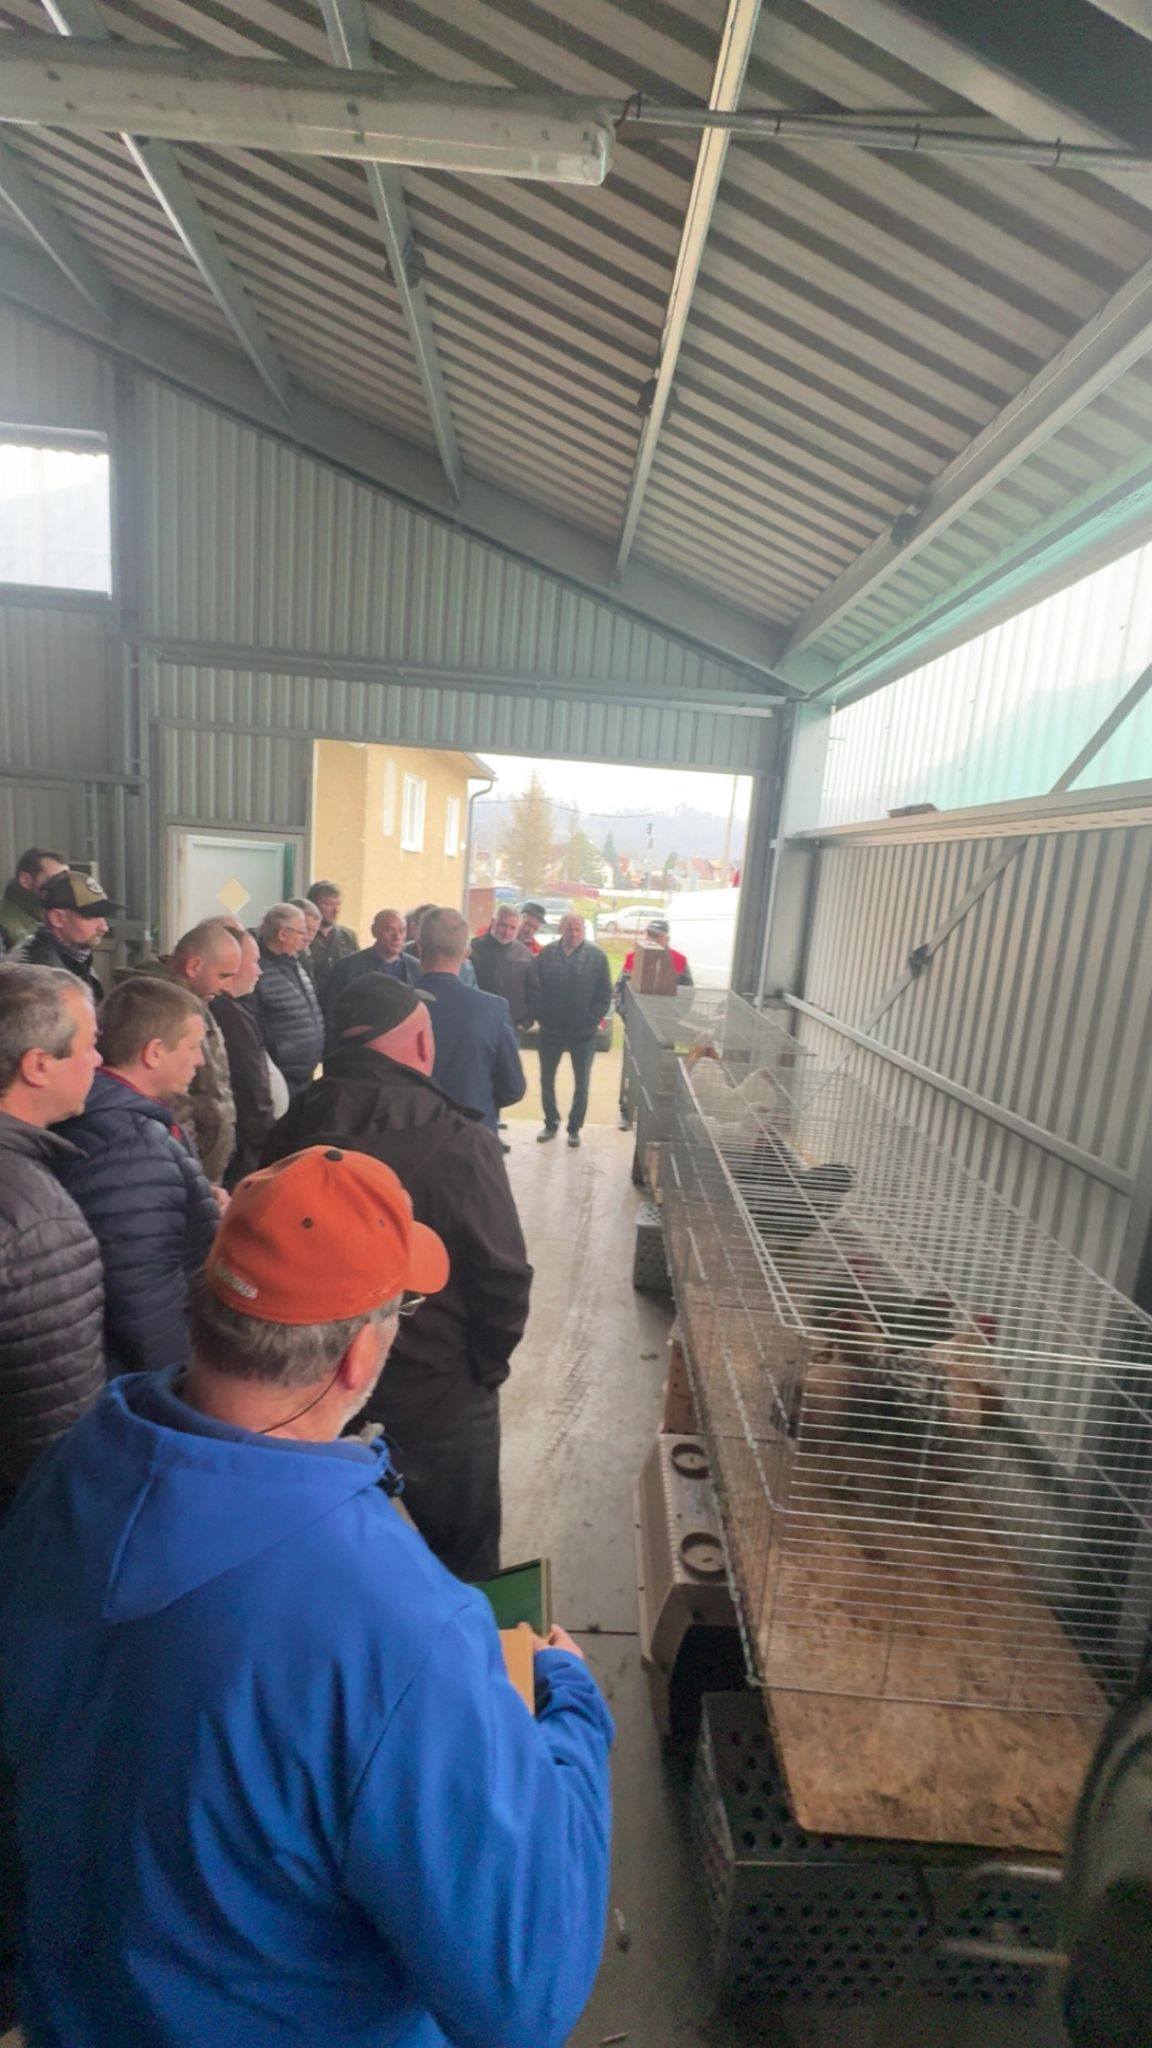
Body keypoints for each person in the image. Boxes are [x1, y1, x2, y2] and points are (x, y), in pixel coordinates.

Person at [0, 1146, 611, 2048]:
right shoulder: (398, 1626)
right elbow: (527, 1994)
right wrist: (574, 1717)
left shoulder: (72, 1470)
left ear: (206, 1305)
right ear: (361, 1354)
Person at [263, 975, 532, 1580]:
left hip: (316, 1393)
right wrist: (485, 1369)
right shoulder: (460, 1140)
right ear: (421, 1045)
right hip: (437, 1390)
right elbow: (503, 1276)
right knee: (464, 1560)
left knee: (330, 1563)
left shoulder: (291, 1127)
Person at [56, 978, 219, 1376]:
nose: (201, 1061)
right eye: (194, 1047)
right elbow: (142, 1290)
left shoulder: (109, 1116)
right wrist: (176, 1384)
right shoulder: (131, 1145)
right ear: (154, 1052)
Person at [0, 966, 104, 1509]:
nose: (99, 1060)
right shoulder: (38, 1225)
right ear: (38, 1065)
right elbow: (57, 1430)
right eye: (89, 1046)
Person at [417, 907, 526, 1134]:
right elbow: (513, 1088)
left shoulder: (392, 1005)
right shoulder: (492, 1009)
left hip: (408, 1137)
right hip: (472, 1137)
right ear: (466, 953)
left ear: (419, 948)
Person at [154, 919, 241, 1183]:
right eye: (223, 976)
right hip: (182, 1169)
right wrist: (190, 1161)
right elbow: (170, 1101)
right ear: (193, 966)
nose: (228, 988)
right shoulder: (160, 1010)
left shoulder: (195, 1003)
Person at [529, 912, 612, 1149]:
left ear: (583, 931)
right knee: (546, 1078)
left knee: (582, 1082)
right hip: (550, 1030)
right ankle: (551, 1122)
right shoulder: (546, 954)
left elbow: (604, 994)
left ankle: (574, 1128)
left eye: (577, 930)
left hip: (583, 1033)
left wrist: (591, 1019)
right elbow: (535, 987)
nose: (573, 934)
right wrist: (540, 1014)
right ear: (561, 929)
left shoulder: (597, 957)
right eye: (569, 929)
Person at [210, 925, 275, 1186]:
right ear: (233, 964)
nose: (260, 971)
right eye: (255, 961)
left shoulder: (233, 1008)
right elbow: (250, 1088)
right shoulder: (229, 1016)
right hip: (240, 1150)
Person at [248, 902, 324, 1097]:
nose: (306, 937)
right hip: (279, 1076)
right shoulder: (257, 970)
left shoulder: (298, 963)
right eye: (301, 932)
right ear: (282, 934)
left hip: (303, 1074)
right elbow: (254, 1023)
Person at [9, 869, 117, 1000]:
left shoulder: (76, 958)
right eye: (91, 916)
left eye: (103, 916)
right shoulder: (30, 973)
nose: (104, 927)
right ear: (57, 918)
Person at [324, 906, 421, 1016]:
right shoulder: (348, 968)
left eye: (402, 931)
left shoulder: (416, 968)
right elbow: (333, 1011)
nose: (397, 937)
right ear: (374, 931)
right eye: (389, 930)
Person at [471, 902, 536, 1029]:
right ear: (493, 922)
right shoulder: (473, 949)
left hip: (512, 1024)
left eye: (512, 928)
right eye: (503, 926)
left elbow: (533, 991)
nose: (507, 932)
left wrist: (527, 1021)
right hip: (479, 1021)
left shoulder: (526, 955)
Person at [0, 847, 67, 952]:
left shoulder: (52, 917)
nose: (63, 888)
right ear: (26, 880)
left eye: (66, 881)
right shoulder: (4, 924)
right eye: (55, 880)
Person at [305, 879, 358, 1005]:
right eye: (328, 904)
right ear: (313, 906)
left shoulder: (347, 936)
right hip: (312, 1002)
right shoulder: (302, 937)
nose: (336, 910)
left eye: (338, 904)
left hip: (342, 1003)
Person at [617, 917, 693, 996]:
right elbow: (620, 988)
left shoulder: (679, 959)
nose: (652, 939)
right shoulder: (632, 957)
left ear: (667, 939)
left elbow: (687, 992)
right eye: (650, 934)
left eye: (656, 935)